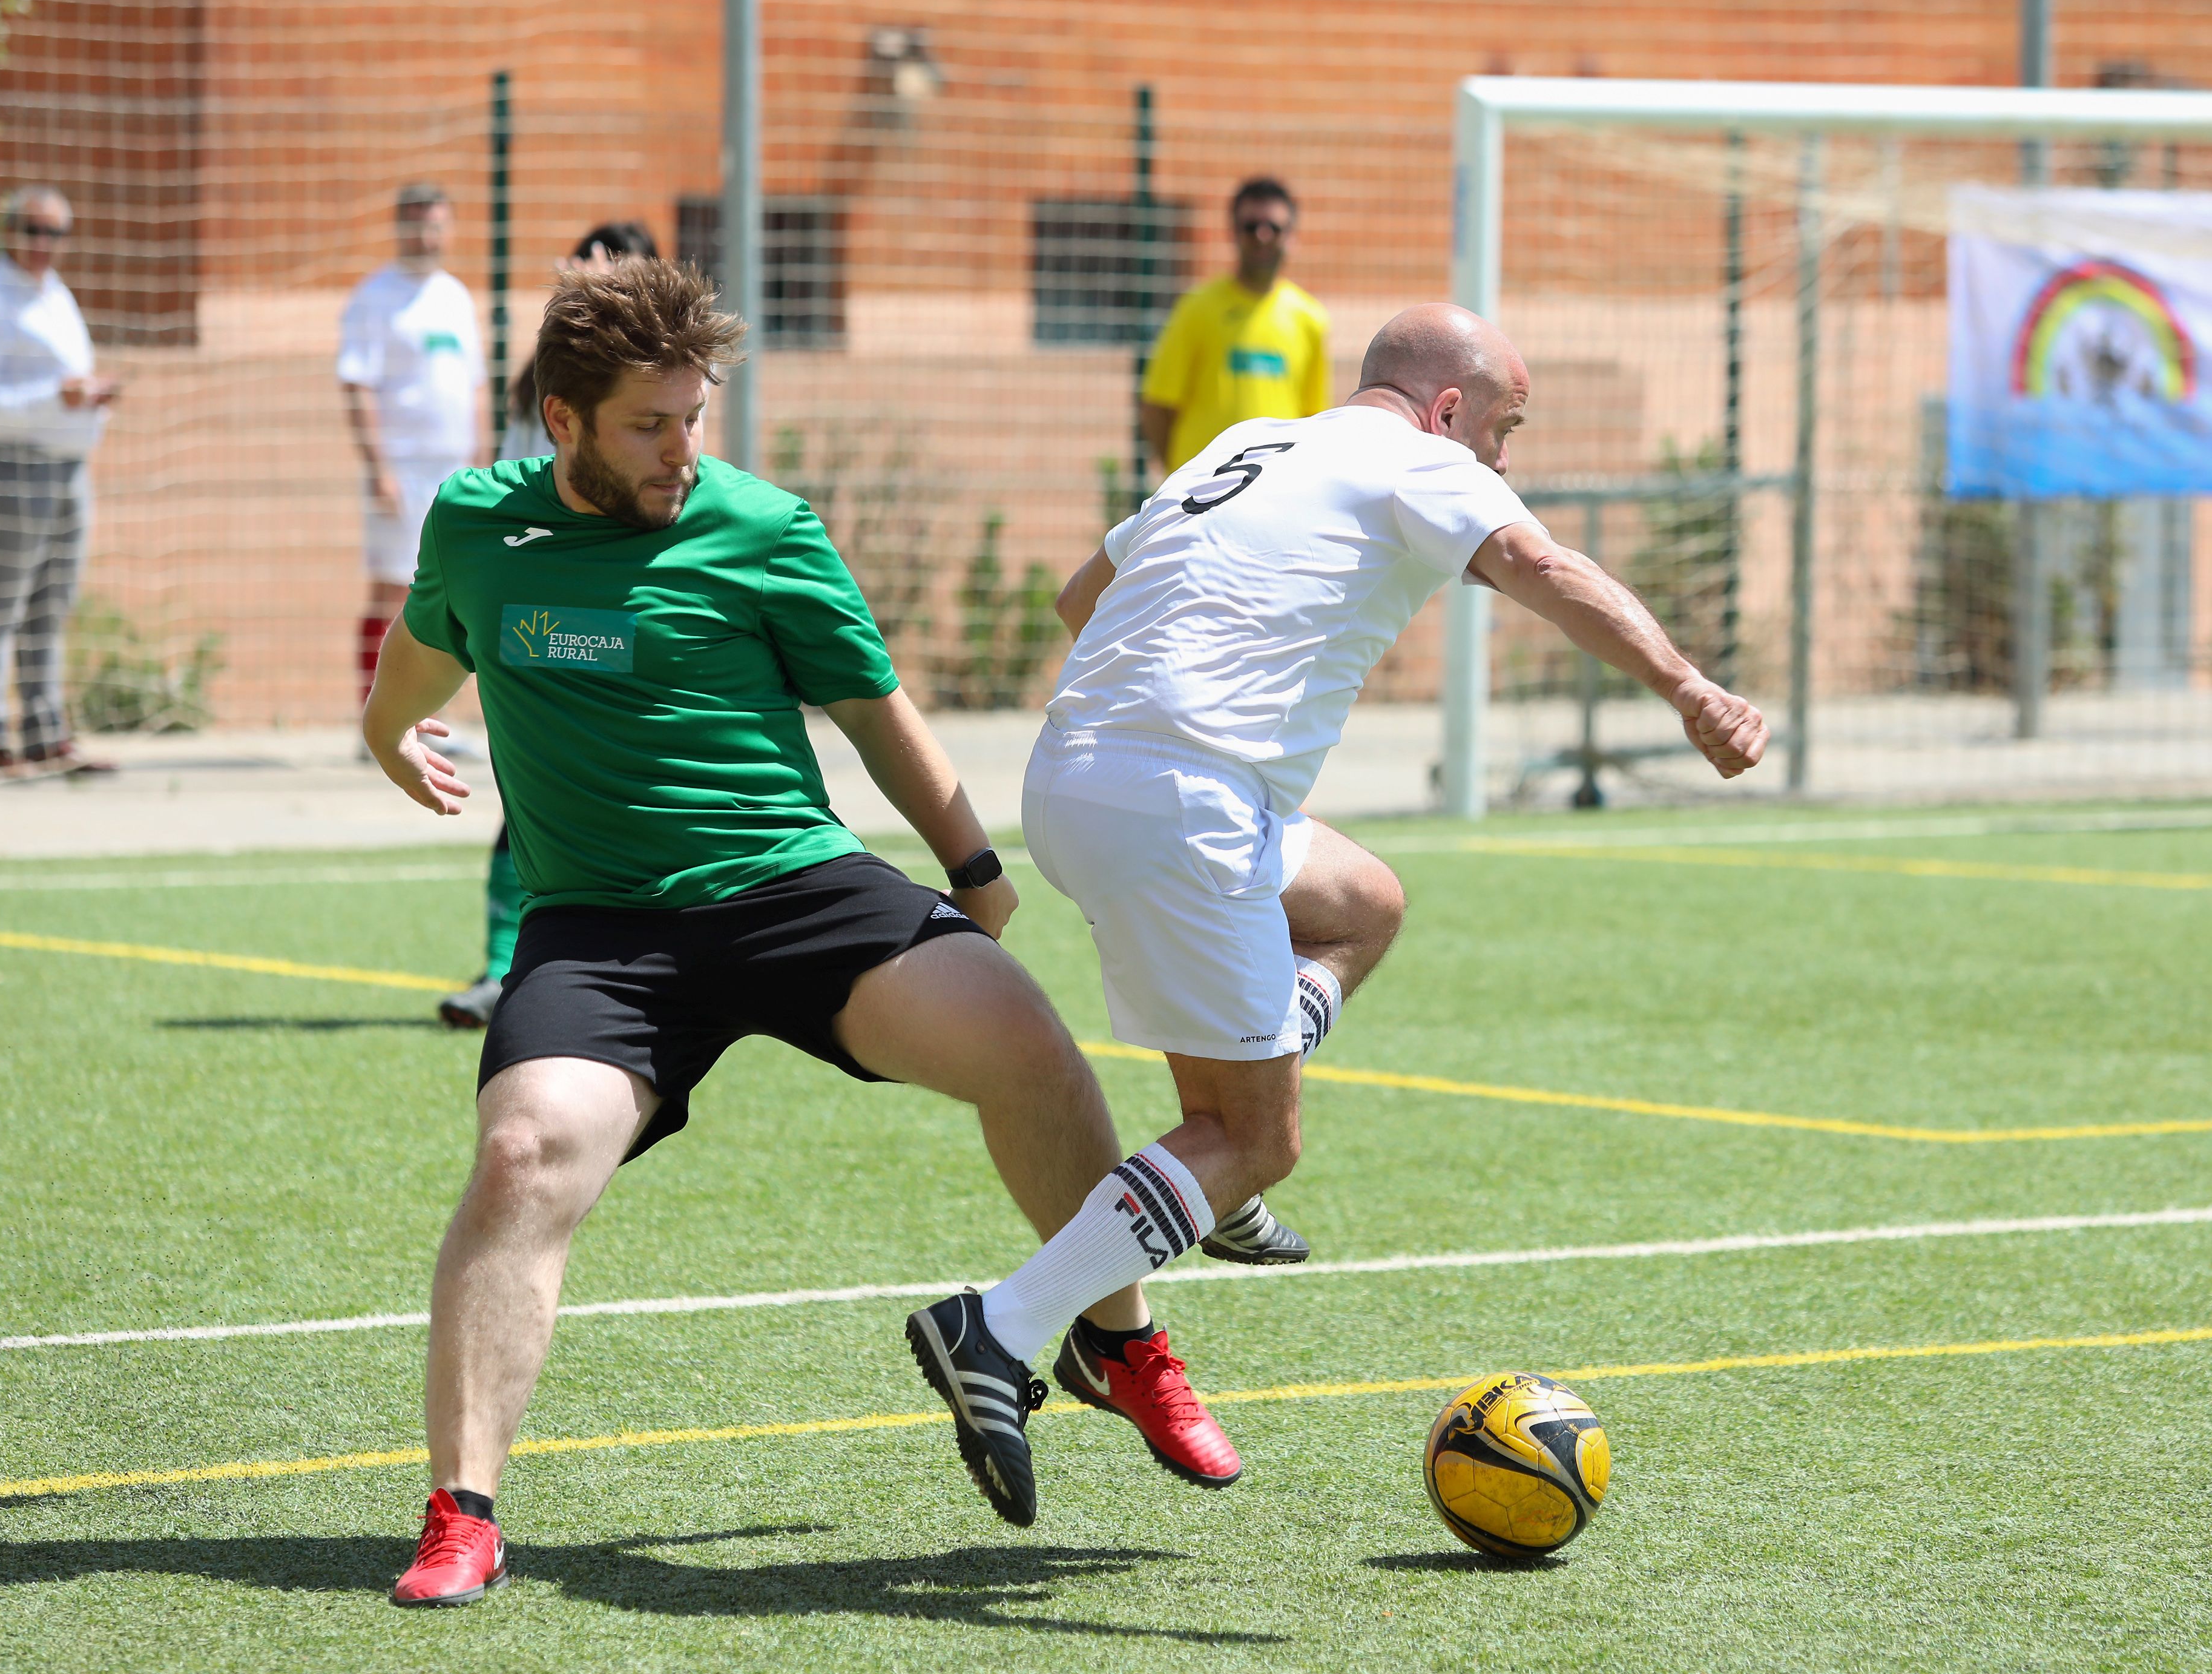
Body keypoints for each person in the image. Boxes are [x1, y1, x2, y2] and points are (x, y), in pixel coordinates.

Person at [365, 260, 1231, 1604]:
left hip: (792, 890)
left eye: (694, 415)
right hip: (599, 930)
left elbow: (876, 708)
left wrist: (972, 867)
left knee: (1027, 1041)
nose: (681, 450)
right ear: (561, 419)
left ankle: (1116, 1339)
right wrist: (383, 736)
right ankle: (461, 1509)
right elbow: (426, 653)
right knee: (522, 1156)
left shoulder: (764, 526)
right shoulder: (478, 526)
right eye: (649, 424)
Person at [907, 303, 1770, 1522]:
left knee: (1361, 902)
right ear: (1451, 408)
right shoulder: (1419, 459)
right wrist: (1690, 689)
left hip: (1078, 775)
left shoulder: (1246, 443)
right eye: (1504, 432)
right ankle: (998, 1327)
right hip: (1182, 801)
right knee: (1254, 1135)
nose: (1503, 464)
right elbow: (1543, 566)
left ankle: (1206, 1159)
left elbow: (1076, 595)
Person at [439, 220, 663, 1032]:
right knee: (531, 786)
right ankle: (508, 967)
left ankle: (650, 959)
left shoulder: (665, 381)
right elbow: (515, 494)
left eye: (620, 268)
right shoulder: (546, 382)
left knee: (626, 787)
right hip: (544, 614)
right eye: (593, 266)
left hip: (631, 609)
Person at [0, 185, 120, 779]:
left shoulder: (55, 297)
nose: (43, 244)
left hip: (67, 468)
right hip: (10, 466)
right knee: (2, 604)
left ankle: (45, 734)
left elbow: (66, 384)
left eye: (55, 234)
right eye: (32, 230)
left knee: (53, 605)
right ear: (6, 231)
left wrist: (90, 398)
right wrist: (56, 397)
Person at [338, 182, 489, 708]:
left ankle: (426, 719)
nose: (428, 237)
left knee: (448, 599)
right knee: (392, 590)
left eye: (437, 225)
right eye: (418, 224)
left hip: (453, 475)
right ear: (398, 227)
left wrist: (482, 462)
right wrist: (379, 467)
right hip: (401, 471)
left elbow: (474, 384)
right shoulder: (374, 298)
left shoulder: (456, 296)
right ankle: (375, 716)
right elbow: (356, 385)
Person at [1138, 177, 1329, 478]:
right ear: (1233, 233)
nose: (1262, 236)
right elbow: (1157, 407)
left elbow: (1312, 420)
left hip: (1275, 490)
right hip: (1198, 492)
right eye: (1251, 226)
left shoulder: (1310, 318)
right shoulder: (1196, 308)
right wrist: (1181, 474)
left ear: (1291, 236)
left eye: (1274, 227)